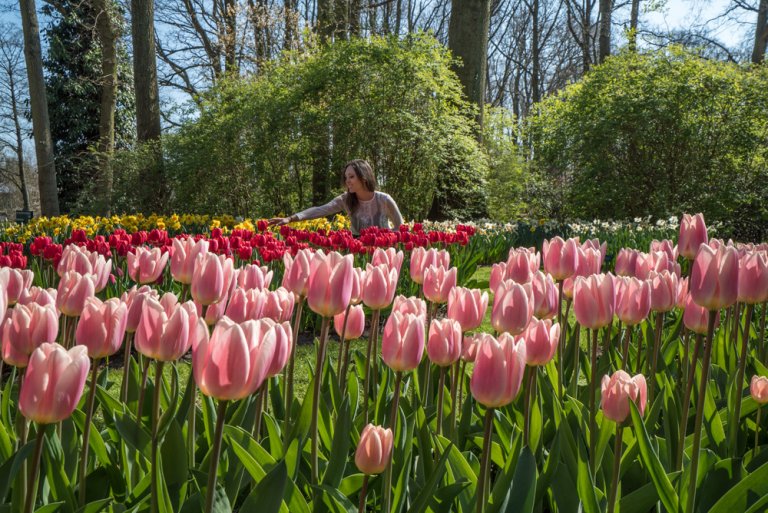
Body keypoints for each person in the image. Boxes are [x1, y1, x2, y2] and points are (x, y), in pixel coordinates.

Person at [269, 159, 404, 236]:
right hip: (357, 251)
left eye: (351, 177)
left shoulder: (384, 200)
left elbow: (401, 227)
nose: (347, 181)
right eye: (346, 177)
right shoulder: (346, 200)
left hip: (383, 250)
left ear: (364, 178)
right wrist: (291, 218)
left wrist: (384, 238)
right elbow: (320, 210)